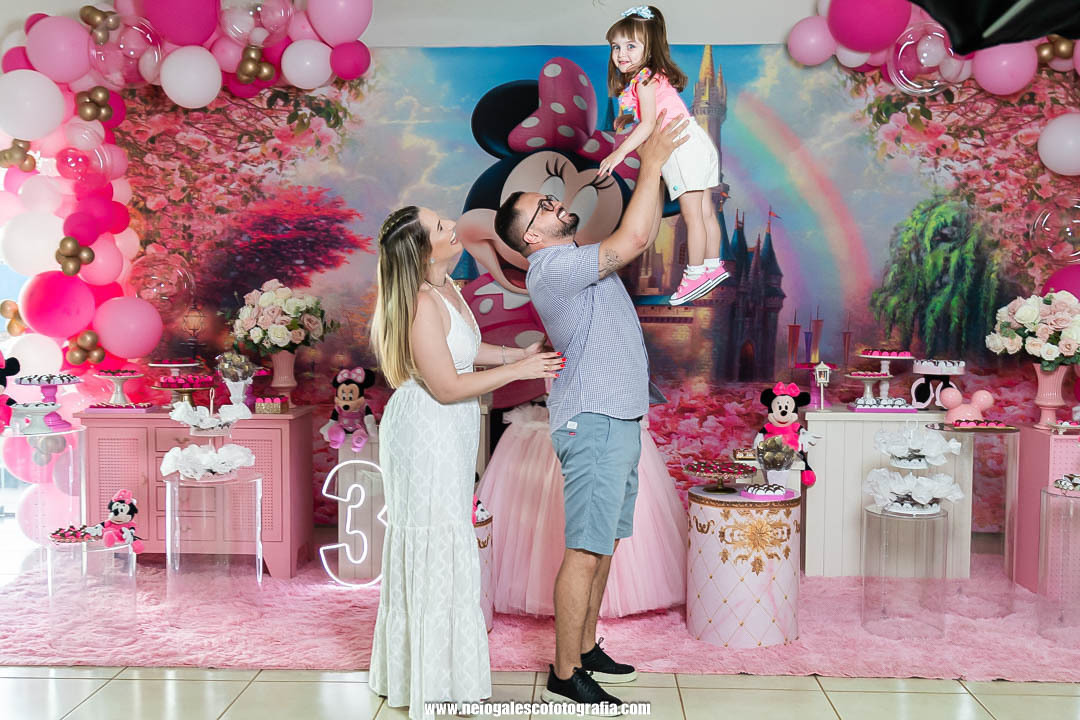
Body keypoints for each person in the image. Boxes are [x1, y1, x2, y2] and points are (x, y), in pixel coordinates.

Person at [493, 110, 688, 714]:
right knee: (585, 546)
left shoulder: (572, 259)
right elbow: (633, 240)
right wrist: (651, 162)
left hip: (617, 416)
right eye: (543, 207)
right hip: (594, 419)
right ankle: (564, 671)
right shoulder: (552, 265)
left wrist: (650, 172)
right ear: (531, 237)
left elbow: (635, 236)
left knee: (602, 542)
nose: (556, 203)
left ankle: (584, 646)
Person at [368, 205, 563, 720]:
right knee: (435, 538)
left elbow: (467, 352)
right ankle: (429, 679)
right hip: (425, 427)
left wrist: (521, 355)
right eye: (440, 227)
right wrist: (521, 370)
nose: (452, 227)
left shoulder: (448, 287)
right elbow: (448, 386)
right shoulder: (418, 303)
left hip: (448, 427)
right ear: (422, 251)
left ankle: (439, 672)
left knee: (449, 536)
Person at [598, 5, 729, 306]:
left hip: (678, 146)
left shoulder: (644, 80)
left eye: (631, 46)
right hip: (697, 140)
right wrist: (625, 117)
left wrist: (619, 153)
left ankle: (695, 274)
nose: (621, 54)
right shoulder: (653, 76)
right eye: (616, 47)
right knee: (706, 211)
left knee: (692, 215)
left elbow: (648, 124)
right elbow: (647, 110)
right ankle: (713, 265)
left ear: (650, 46)